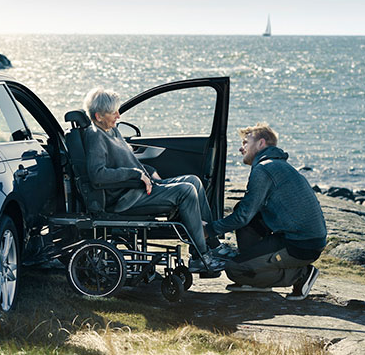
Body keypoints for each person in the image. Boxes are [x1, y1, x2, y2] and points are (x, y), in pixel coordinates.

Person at [83, 87, 226, 273]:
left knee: (194, 181)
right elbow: (98, 175)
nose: (118, 115)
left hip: (140, 187)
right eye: (113, 112)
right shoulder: (95, 136)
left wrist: (149, 172)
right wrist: (135, 175)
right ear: (98, 116)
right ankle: (201, 257)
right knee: (186, 191)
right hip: (126, 198)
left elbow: (130, 161)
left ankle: (211, 242)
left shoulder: (113, 131)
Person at [203, 123, 327, 300]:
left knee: (234, 269)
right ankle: (253, 268)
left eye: (246, 142)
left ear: (261, 144)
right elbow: (248, 213)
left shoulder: (264, 169)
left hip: (301, 245)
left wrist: (209, 230)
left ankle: (301, 274)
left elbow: (243, 217)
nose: (241, 147)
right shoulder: (276, 165)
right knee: (244, 214)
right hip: (293, 236)